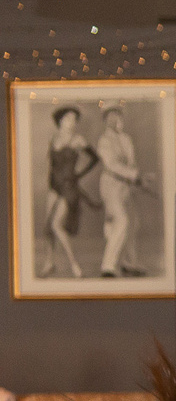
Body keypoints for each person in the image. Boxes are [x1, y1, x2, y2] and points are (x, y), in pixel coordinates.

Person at [44, 106, 95, 279]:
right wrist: (51, 185)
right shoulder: (54, 139)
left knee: (56, 225)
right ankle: (49, 262)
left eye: (74, 119)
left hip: (69, 187)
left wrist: (79, 174)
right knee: (48, 226)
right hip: (54, 187)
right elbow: (52, 166)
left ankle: (74, 265)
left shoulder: (78, 140)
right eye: (69, 119)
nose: (72, 122)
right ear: (61, 121)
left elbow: (95, 158)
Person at [96, 105, 142, 277]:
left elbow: (131, 162)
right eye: (110, 117)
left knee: (132, 223)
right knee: (121, 221)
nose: (115, 120)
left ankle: (128, 263)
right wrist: (133, 174)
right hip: (111, 186)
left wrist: (136, 177)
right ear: (105, 120)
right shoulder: (104, 141)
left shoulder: (126, 139)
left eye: (117, 116)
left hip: (126, 187)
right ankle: (107, 266)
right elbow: (111, 165)